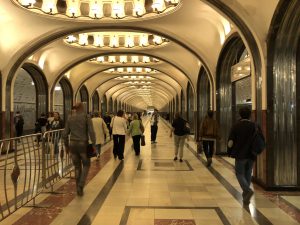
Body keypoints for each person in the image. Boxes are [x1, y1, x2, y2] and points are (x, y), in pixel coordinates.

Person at [63, 103, 96, 196]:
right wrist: (94, 144)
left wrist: (66, 146)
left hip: (72, 144)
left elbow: (65, 134)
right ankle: (81, 185)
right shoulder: (86, 117)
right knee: (86, 164)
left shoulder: (70, 118)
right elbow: (91, 131)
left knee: (77, 166)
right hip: (83, 144)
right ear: (82, 108)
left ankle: (78, 188)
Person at [227, 106, 257, 204]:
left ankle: (247, 191)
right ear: (250, 115)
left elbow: (231, 141)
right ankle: (245, 197)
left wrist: (229, 150)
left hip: (240, 154)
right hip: (251, 154)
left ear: (240, 114)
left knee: (239, 173)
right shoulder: (254, 126)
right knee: (248, 173)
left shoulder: (236, 126)